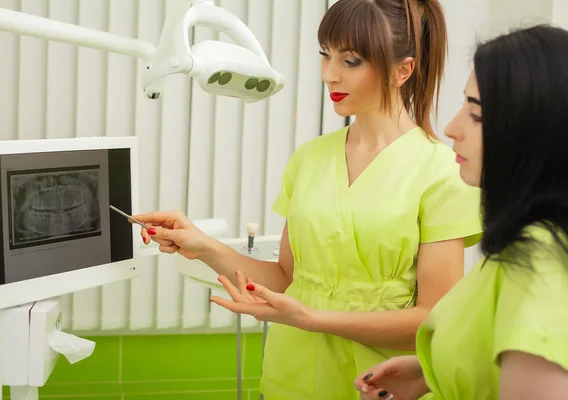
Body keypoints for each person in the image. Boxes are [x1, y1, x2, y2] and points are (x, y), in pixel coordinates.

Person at [132, 0, 482, 399]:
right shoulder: (310, 158)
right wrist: (202, 246)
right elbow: (285, 280)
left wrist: (311, 318)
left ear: (403, 70)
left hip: (378, 384)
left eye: (350, 61)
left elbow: (432, 321)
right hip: (291, 377)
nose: (329, 74)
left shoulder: (442, 171)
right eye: (325, 55)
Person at [354, 24, 568, 400]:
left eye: (477, 114)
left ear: (536, 129)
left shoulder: (538, 262)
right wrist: (432, 372)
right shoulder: (523, 246)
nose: (452, 128)